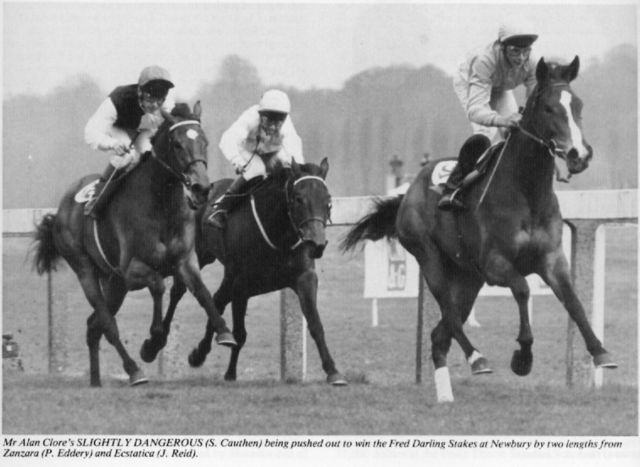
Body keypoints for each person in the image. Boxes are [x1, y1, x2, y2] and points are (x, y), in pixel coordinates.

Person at [439, 19, 538, 210]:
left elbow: (534, 102)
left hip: (500, 87)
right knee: (486, 135)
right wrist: (502, 120)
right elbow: (476, 111)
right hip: (470, 81)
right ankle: (452, 188)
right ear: (502, 47)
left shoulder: (532, 62)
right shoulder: (484, 60)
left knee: (513, 133)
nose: (521, 58)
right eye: (515, 51)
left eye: (526, 51)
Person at [83, 65, 176, 218]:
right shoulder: (118, 99)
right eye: (150, 99)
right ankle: (98, 197)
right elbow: (90, 131)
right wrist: (112, 144)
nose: (154, 106)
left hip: (143, 130)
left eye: (159, 100)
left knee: (150, 155)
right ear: (140, 92)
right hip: (117, 128)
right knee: (129, 156)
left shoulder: (167, 104)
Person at [206, 89, 304, 229]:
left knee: (288, 167)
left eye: (278, 121)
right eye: (269, 120)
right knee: (257, 169)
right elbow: (227, 139)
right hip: (247, 151)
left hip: (272, 152)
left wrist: (299, 171)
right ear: (261, 114)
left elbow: (294, 148)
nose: (273, 126)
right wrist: (237, 161)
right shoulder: (250, 117)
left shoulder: (287, 125)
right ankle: (221, 209)